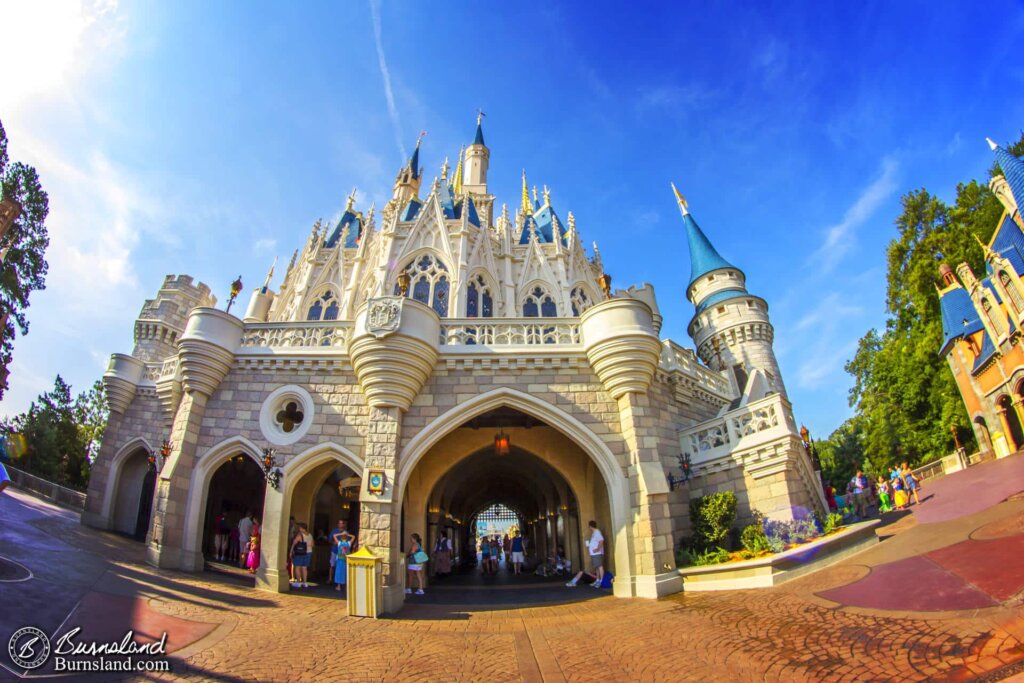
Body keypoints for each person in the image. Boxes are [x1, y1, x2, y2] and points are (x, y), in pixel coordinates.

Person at [567, 520, 605, 588]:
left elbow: (601, 540)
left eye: (589, 526)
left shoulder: (597, 532)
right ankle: (597, 580)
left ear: (590, 526)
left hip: (597, 553)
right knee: (596, 567)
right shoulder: (594, 533)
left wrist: (597, 549)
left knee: (599, 566)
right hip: (594, 553)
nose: (589, 528)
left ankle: (601, 581)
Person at [290, 522, 314, 589]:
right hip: (309, 552)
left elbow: (294, 543)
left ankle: (298, 582)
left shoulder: (300, 535)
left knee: (297, 567)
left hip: (300, 553)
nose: (299, 529)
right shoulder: (310, 535)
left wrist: (291, 551)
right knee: (304, 568)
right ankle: (305, 582)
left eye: (300, 528)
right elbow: (312, 545)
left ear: (302, 528)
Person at [333, 526, 354, 593]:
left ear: (341, 538)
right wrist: (347, 534)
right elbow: (353, 537)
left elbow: (334, 536)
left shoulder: (339, 543)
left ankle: (338, 586)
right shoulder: (348, 543)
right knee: (345, 572)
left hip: (340, 559)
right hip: (346, 560)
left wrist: (341, 534)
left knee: (339, 572)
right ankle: (345, 587)